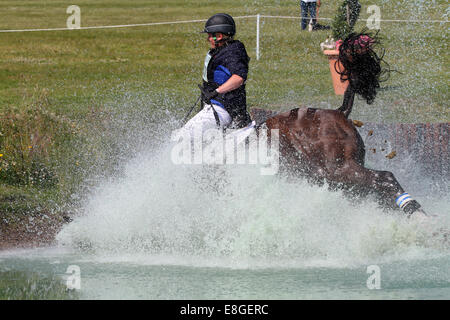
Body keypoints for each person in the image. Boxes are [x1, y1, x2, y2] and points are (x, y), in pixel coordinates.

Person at [183, 13, 252, 135]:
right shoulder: (221, 50)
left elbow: (239, 78)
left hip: (223, 109)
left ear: (219, 36)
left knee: (186, 135)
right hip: (213, 106)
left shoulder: (233, 52)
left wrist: (216, 92)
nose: (207, 39)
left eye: (210, 35)